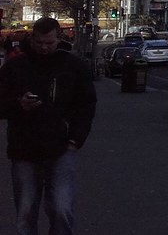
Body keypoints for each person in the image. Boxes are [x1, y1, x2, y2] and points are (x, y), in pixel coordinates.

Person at [0, 16, 97, 235]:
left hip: (61, 146)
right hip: (24, 148)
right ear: (32, 39)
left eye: (49, 43)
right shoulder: (15, 66)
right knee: (26, 211)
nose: (44, 47)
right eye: (39, 42)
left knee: (61, 208)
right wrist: (18, 104)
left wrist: (76, 139)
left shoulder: (73, 66)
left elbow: (86, 104)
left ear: (58, 39)